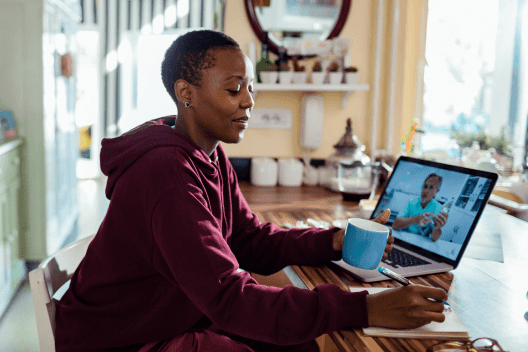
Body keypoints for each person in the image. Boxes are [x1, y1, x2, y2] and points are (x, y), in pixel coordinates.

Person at [55, 30, 448, 352]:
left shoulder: (207, 155)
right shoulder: (166, 175)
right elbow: (230, 299)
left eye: (250, 87)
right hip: (122, 339)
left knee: (302, 345)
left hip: (166, 314)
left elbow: (249, 240)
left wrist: (333, 242)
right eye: (234, 89)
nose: (248, 101)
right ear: (185, 93)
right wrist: (365, 308)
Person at [392, 173, 449, 242]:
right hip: (403, 238)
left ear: (436, 191)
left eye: (431, 187)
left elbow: (434, 238)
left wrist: (437, 228)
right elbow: (395, 225)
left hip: (420, 244)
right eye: (425, 186)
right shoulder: (411, 202)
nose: (426, 191)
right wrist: (415, 219)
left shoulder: (438, 208)